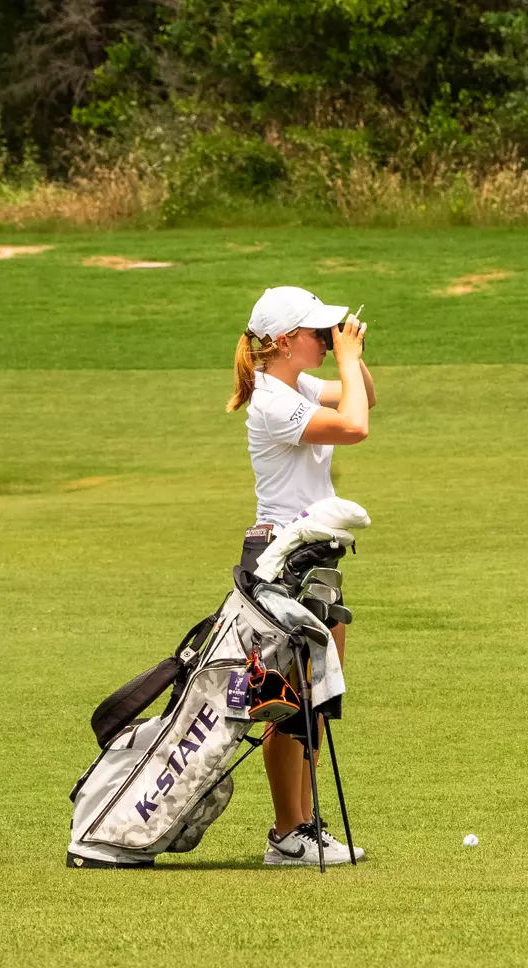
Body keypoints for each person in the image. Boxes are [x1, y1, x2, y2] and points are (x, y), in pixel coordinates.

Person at [228, 286, 375, 867]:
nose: (324, 339)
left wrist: (351, 353)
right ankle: (289, 832)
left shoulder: (296, 384)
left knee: (315, 701)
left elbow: (365, 398)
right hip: (282, 561)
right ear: (286, 342)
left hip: (312, 559)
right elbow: (355, 428)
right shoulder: (273, 402)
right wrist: (344, 358)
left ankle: (301, 827)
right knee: (290, 703)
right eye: (316, 333)